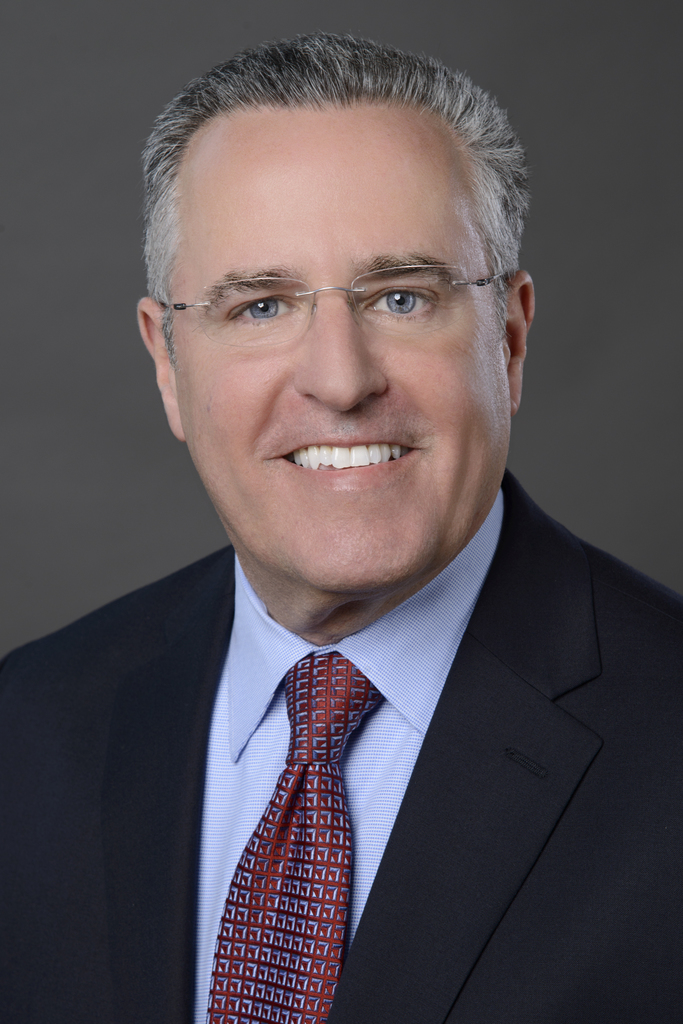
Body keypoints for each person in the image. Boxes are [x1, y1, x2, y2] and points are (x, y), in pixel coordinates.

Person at [1, 32, 682, 1024]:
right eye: (259, 306)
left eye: (401, 296)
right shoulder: (30, 725)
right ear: (167, 362)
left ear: (508, 337)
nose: (340, 378)